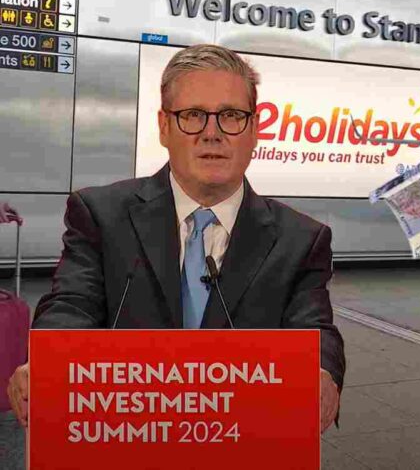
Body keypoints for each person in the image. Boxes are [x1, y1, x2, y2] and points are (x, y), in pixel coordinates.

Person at [6, 44, 345, 432]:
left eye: (232, 116)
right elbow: (72, 304)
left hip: (245, 441)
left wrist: (322, 372)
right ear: (164, 127)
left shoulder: (302, 239)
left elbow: (315, 330)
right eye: (193, 116)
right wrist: (50, 362)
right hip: (125, 437)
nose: (212, 133)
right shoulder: (101, 214)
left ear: (255, 130)